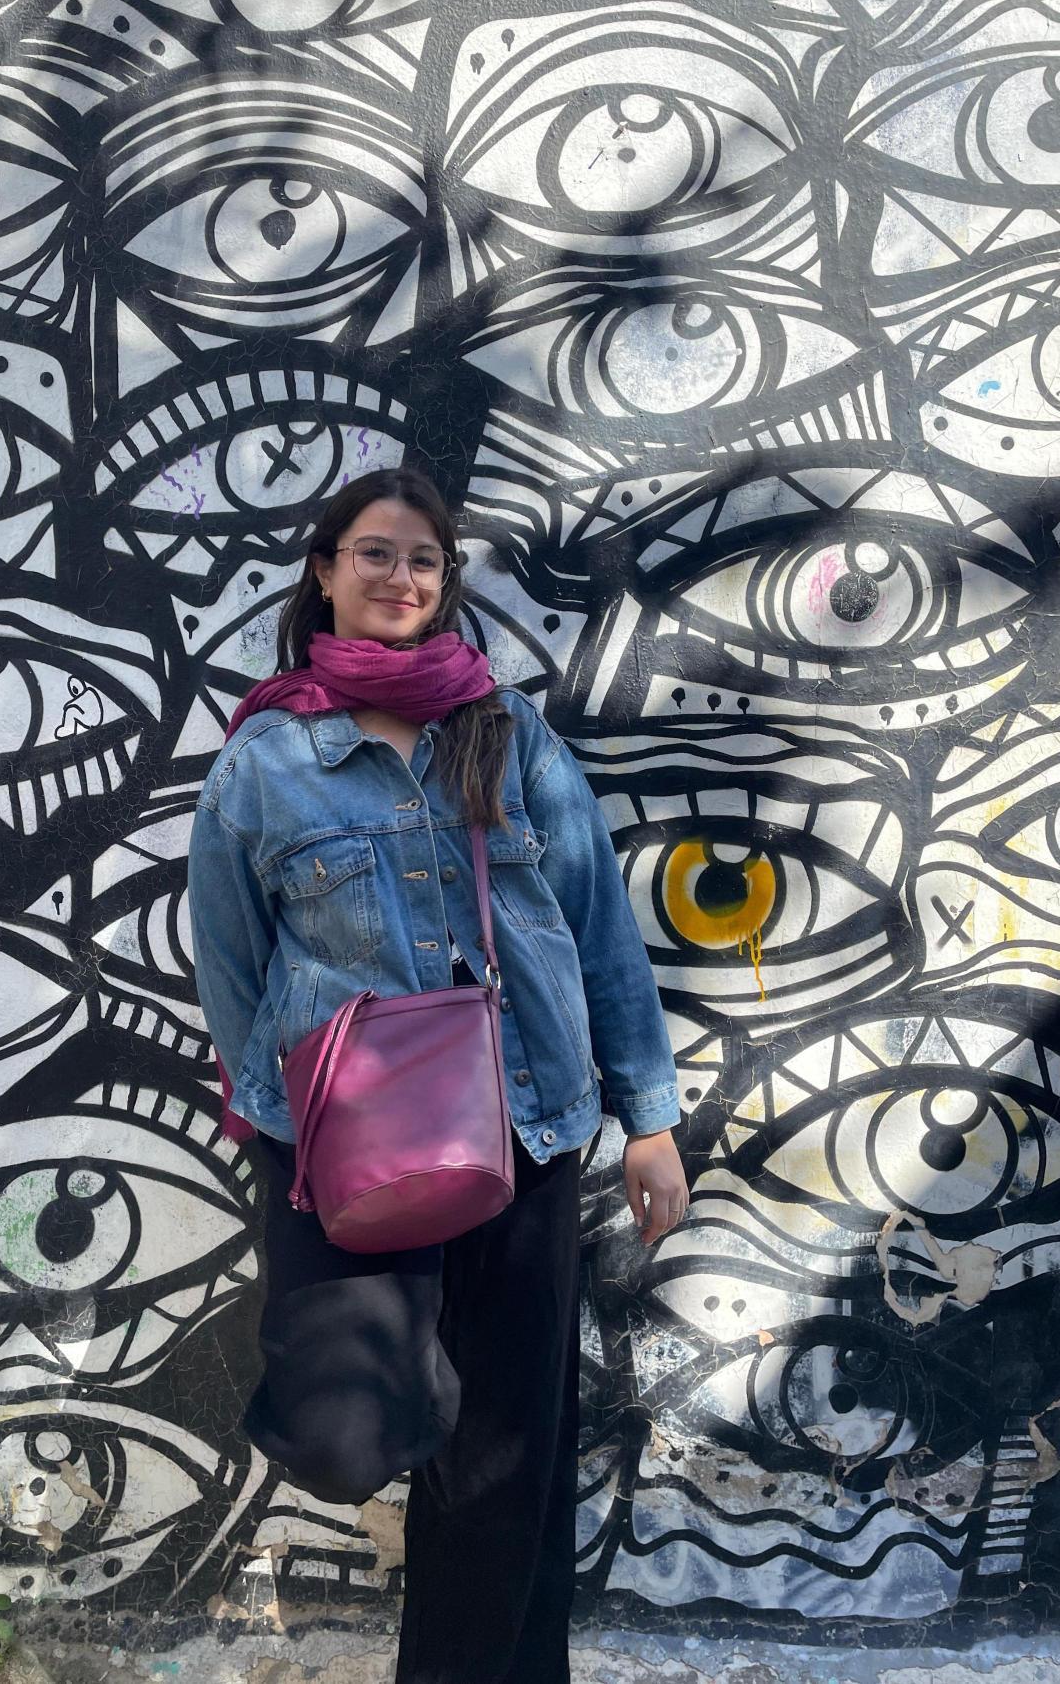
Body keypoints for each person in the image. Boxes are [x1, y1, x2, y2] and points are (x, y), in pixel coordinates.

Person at [188, 467, 687, 1684]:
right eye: (373, 553)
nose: (399, 577)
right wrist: (284, 1125)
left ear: (445, 580)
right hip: (347, 1143)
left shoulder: (508, 735)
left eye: (422, 559)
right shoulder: (265, 762)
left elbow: (595, 930)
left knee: (508, 1449)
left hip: (523, 1127)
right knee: (347, 1419)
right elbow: (232, 965)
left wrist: (647, 1118)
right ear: (323, 570)